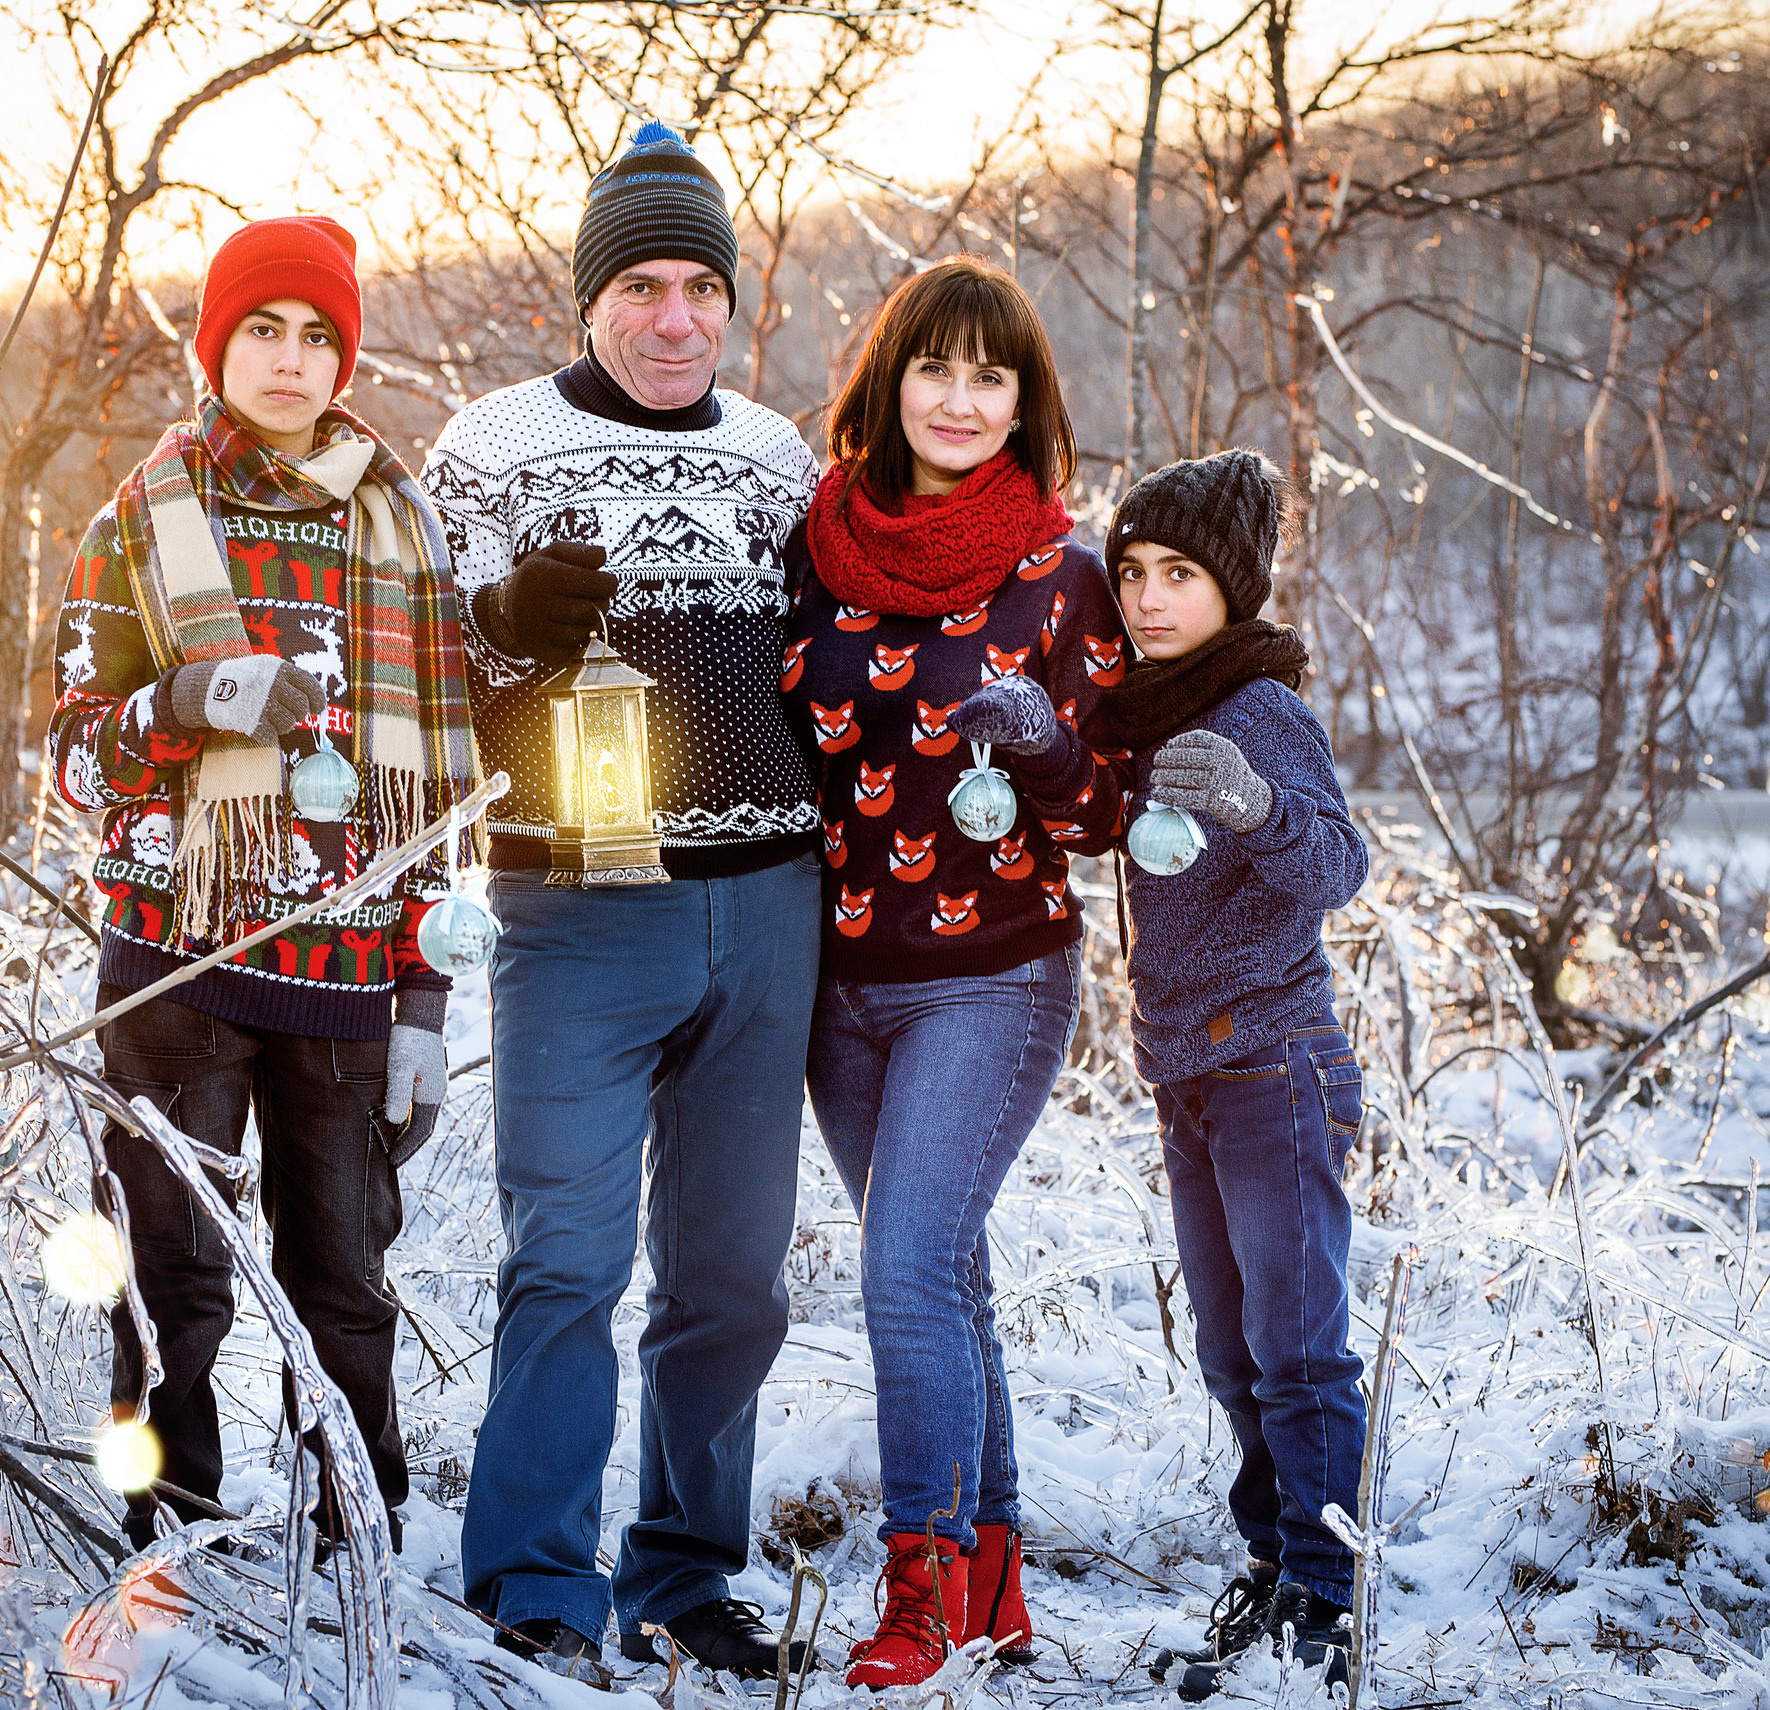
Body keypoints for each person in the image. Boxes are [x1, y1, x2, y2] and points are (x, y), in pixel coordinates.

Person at [422, 122, 821, 1686]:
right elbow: (413, 681)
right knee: (567, 1259)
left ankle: (683, 1572)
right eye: (643, 286)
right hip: (577, 910)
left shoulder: (779, 457)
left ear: (731, 303)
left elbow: (835, 673)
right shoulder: (489, 448)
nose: (674, 319)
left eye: (700, 288)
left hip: (768, 907)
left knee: (730, 1275)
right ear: (589, 300)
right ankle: (534, 1576)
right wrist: (499, 630)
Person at [49, 214, 477, 1554]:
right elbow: (72, 757)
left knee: (342, 1279)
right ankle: (169, 1535)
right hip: (176, 963)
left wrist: (425, 991)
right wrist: (184, 700)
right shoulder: (141, 517)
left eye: (316, 336)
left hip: (350, 973)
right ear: (215, 344)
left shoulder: (400, 527)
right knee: (171, 1273)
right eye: (262, 331)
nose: (290, 362)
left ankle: (356, 1539)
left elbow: (431, 797)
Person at [783, 255, 1127, 1688]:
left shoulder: (1061, 571)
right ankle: (996, 1576)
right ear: (890, 379)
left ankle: (915, 1588)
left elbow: (1109, 807)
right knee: (949, 1279)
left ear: (1025, 401)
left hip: (992, 975)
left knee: (906, 1265)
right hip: (833, 982)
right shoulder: (811, 544)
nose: (963, 398)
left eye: (994, 376)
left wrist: (1041, 739)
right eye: (938, 368)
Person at [1085, 452, 1370, 1701]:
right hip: (1185, 1077)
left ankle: (1327, 1585)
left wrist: (1259, 809)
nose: (1148, 597)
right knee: (1229, 1347)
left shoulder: (1258, 711)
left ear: (1232, 588)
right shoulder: (1150, 707)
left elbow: (1337, 871)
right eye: (1134, 571)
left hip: (1273, 1065)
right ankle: (1271, 1555)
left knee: (1298, 1345)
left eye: (1179, 575)